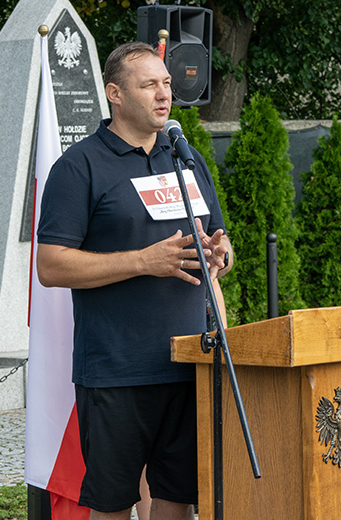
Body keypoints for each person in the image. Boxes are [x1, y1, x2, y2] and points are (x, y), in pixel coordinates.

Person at [36, 41, 232, 520]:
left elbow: (217, 241)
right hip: (117, 372)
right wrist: (143, 261)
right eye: (150, 85)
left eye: (166, 83)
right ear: (116, 94)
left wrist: (222, 253)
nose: (165, 94)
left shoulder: (185, 157)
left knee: (178, 498)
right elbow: (51, 266)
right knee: (112, 504)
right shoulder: (79, 167)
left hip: (190, 364)